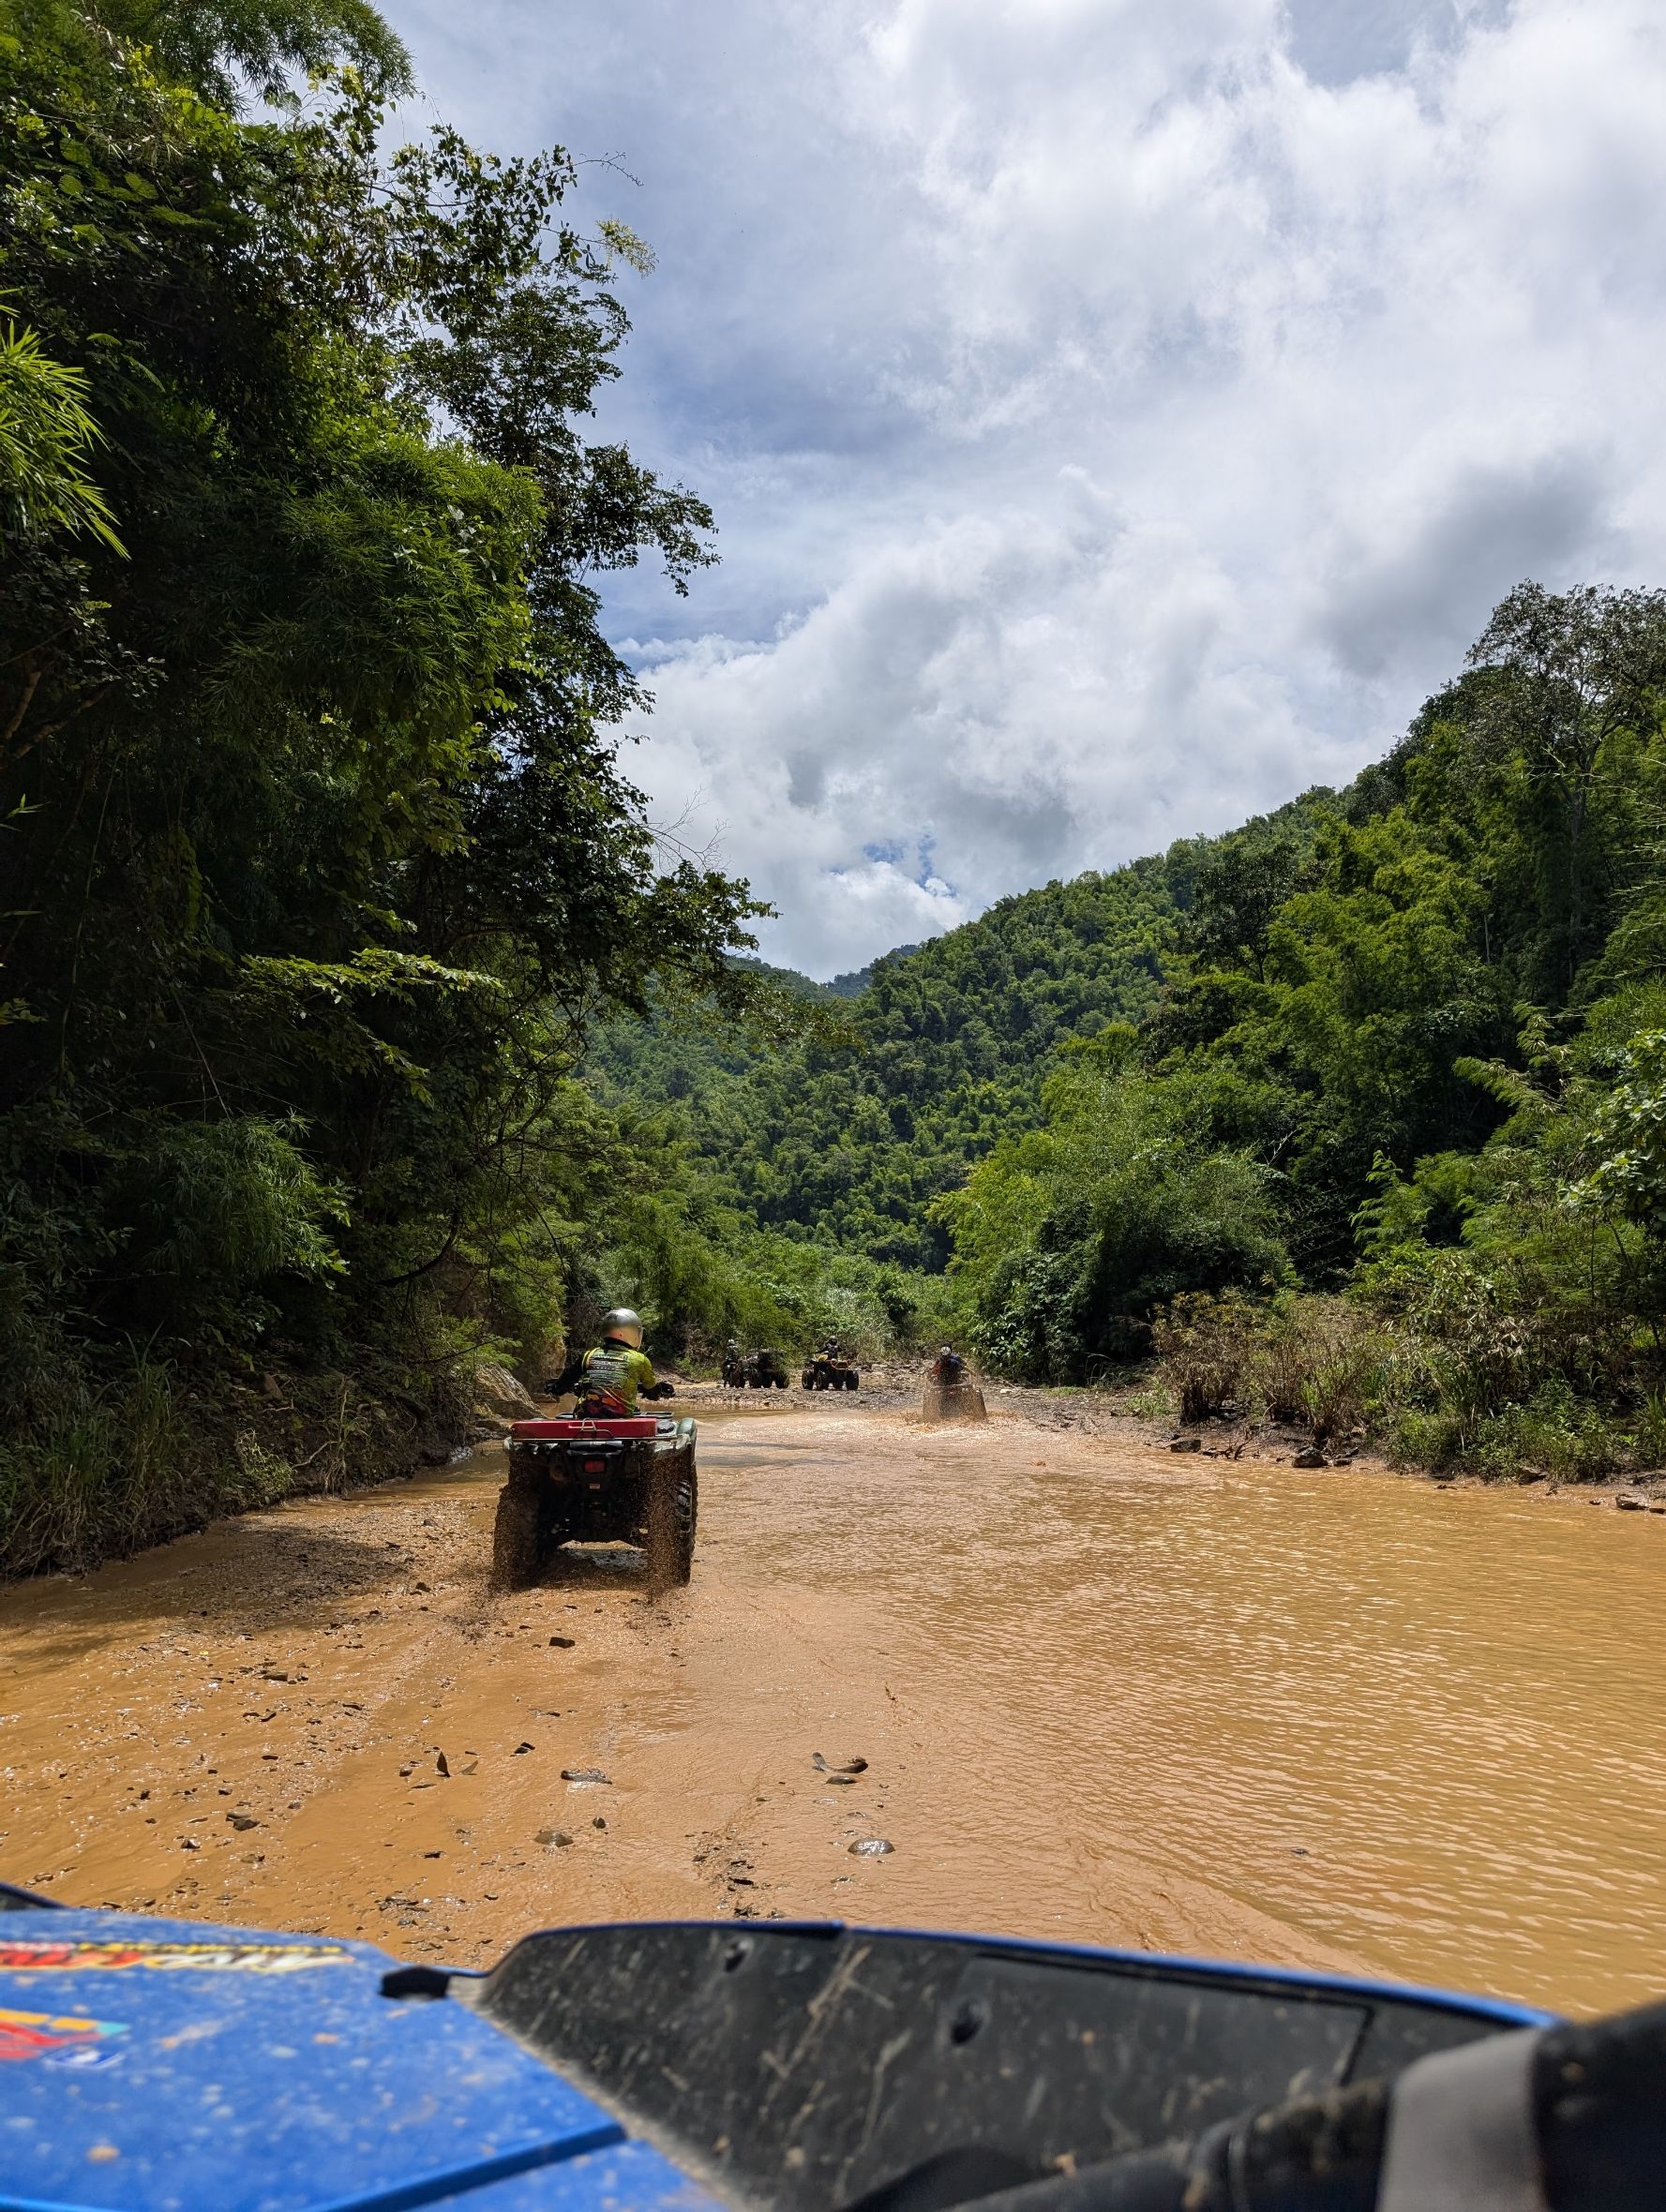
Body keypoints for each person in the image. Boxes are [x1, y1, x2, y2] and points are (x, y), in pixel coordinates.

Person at [547, 1309, 675, 1415]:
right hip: (621, 1423)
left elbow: (564, 1383)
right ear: (633, 1333)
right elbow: (653, 1394)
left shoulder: (588, 1355)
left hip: (585, 1421)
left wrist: (556, 1387)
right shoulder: (639, 1360)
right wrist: (658, 1390)